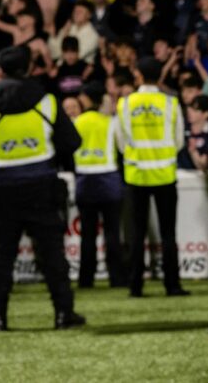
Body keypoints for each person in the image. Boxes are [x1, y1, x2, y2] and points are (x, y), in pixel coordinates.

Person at [0, 46, 85, 330]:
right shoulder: (46, 101)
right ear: (29, 68)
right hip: (41, 184)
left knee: (1, 255)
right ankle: (63, 313)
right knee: (51, 253)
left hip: (2, 187)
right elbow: (72, 142)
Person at [116, 57, 190, 297]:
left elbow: (120, 142)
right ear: (160, 77)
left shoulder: (125, 104)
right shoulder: (170, 103)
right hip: (165, 174)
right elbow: (179, 141)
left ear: (137, 75)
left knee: (137, 234)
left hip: (136, 174)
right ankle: (172, 285)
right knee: (168, 233)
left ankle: (135, 285)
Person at [73, 82, 128, 289]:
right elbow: (122, 147)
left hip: (85, 181)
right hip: (109, 180)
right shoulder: (111, 122)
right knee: (112, 233)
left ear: (86, 98)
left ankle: (86, 280)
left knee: (87, 234)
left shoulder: (77, 121)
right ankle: (117, 278)